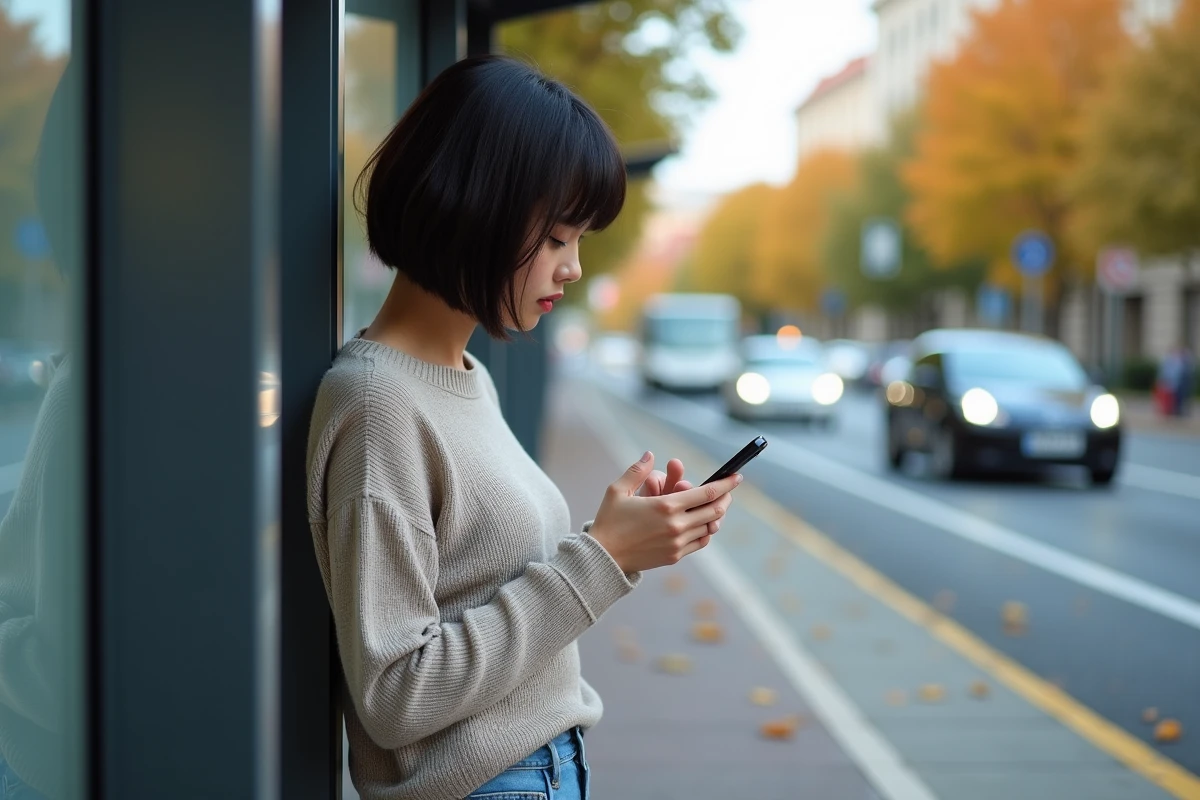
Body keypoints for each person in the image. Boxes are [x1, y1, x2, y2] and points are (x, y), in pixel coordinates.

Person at [306, 55, 741, 800]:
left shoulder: (465, 377)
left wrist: (620, 537)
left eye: (580, 240)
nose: (573, 269)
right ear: (474, 210)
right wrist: (602, 557)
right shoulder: (378, 406)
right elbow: (395, 694)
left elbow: (481, 584)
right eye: (557, 238)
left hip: (540, 769)